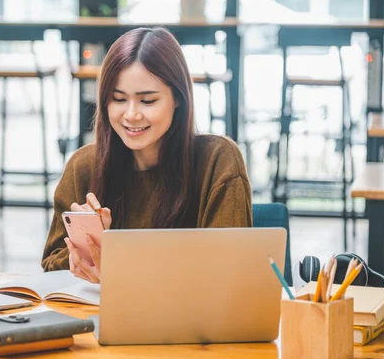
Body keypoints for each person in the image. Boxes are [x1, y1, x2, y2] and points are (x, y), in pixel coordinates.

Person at [41, 27, 252, 283]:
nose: (131, 115)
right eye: (118, 99)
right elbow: (51, 264)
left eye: (148, 101)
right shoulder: (83, 166)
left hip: (186, 321)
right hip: (95, 319)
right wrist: (87, 251)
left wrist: (119, 259)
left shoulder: (218, 161)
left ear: (178, 99)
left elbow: (228, 272)